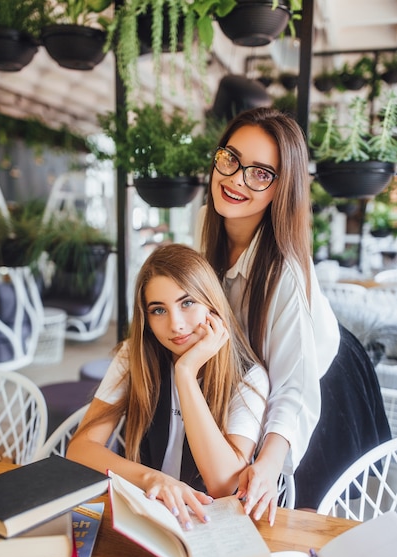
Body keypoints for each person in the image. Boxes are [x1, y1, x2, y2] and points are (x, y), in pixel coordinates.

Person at [200, 106, 391, 515]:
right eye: (230, 158)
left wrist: (269, 463)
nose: (235, 179)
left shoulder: (284, 270)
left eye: (260, 172)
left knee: (301, 513)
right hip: (261, 373)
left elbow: (294, 388)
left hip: (319, 376)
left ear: (281, 187)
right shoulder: (206, 223)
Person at [67, 243, 269, 529]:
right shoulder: (134, 355)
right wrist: (153, 479)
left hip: (212, 523)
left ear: (211, 302)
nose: (176, 325)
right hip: (146, 513)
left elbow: (225, 484)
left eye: (187, 303)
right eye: (158, 310)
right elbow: (80, 449)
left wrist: (186, 373)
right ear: (146, 318)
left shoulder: (248, 375)